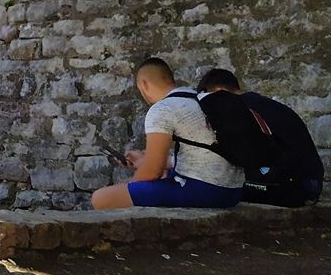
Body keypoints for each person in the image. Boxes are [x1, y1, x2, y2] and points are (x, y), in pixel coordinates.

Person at [92, 57, 244, 210]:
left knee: (101, 198)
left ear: (143, 85)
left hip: (205, 191)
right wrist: (144, 161)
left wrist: (128, 189)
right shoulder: (197, 98)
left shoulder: (162, 109)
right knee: (165, 175)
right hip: (233, 192)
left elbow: (152, 172)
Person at [198, 68, 323, 207]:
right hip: (309, 183)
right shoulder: (259, 104)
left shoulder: (244, 109)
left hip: (299, 186)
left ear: (220, 91)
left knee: (222, 190)